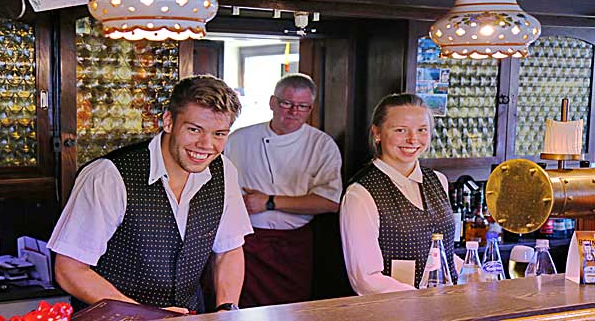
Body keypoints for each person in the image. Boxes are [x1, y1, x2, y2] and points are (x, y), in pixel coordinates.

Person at [47, 75, 253, 314]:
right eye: (194, 129)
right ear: (168, 121)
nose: (206, 145)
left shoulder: (224, 171)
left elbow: (229, 250)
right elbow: (69, 269)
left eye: (219, 134)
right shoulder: (108, 175)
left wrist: (227, 308)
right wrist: (145, 316)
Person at [224, 73, 342, 307]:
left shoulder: (321, 144)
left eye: (302, 106)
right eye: (286, 103)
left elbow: (331, 202)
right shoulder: (238, 139)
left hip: (294, 246)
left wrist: (269, 201)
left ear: (310, 108)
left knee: (293, 309)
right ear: (272, 102)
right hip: (248, 244)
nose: (293, 111)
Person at [340, 93, 458, 295]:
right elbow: (365, 279)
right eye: (400, 130)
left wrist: (475, 275)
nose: (413, 139)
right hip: (392, 311)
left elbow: (446, 253)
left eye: (422, 130)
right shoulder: (360, 194)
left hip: (446, 307)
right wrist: (422, 302)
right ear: (377, 133)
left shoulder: (439, 180)